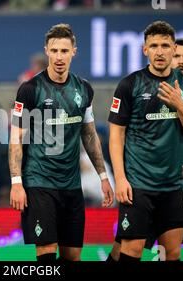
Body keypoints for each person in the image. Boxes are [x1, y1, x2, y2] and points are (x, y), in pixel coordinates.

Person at [8, 23, 113, 262]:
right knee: (46, 253)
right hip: (39, 183)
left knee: (72, 255)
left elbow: (89, 134)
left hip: (71, 184)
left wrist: (103, 176)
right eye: (54, 50)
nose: (58, 57)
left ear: (73, 51)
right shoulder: (30, 90)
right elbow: (16, 138)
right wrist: (16, 181)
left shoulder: (84, 89)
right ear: (47, 50)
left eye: (64, 51)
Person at [107, 37, 183, 261]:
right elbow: (128, 136)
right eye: (178, 56)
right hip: (147, 183)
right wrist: (122, 177)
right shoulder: (142, 88)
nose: (181, 61)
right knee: (126, 250)